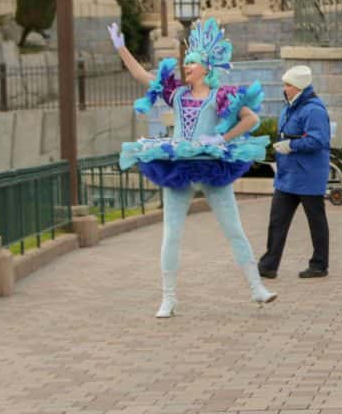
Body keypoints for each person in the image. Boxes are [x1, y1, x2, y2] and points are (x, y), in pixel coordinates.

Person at [110, 18, 276, 317]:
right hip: (179, 169)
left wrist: (222, 137)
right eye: (186, 62)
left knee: (234, 230)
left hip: (212, 166)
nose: (187, 66)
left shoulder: (219, 96)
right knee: (171, 233)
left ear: (207, 68)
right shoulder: (177, 95)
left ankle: (256, 289)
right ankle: (168, 297)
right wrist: (122, 49)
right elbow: (141, 75)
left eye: (193, 62)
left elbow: (251, 119)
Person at [258, 65, 332, 279]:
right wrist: (282, 149)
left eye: (288, 84)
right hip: (288, 175)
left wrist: (291, 146)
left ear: (299, 87)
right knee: (277, 221)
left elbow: (319, 140)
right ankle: (268, 266)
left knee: (316, 220)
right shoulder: (290, 107)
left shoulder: (313, 109)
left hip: (308, 175)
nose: (285, 88)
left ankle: (319, 265)